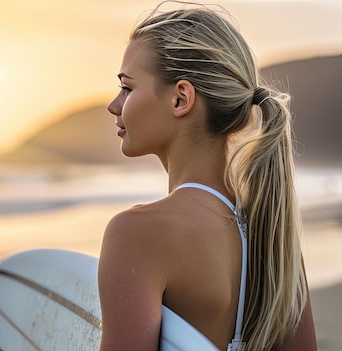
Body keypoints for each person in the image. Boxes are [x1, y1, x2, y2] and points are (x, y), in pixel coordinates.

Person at [98, 2, 317, 350]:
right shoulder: (273, 232)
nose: (114, 105)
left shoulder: (137, 234)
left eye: (127, 87)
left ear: (181, 98)